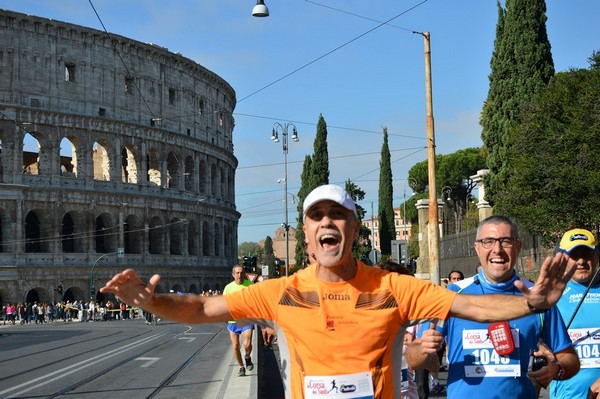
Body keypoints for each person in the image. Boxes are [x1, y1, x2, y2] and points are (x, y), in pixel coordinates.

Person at [101, 184, 576, 399]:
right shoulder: (279, 291)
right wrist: (152, 302)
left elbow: (472, 303)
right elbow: (205, 307)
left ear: (354, 231)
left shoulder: (394, 287)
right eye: (316, 216)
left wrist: (533, 302)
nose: (326, 222)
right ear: (307, 235)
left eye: (337, 215)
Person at [406, 215, 580, 399]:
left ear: (518, 247)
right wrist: (423, 350)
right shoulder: (453, 294)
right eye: (488, 241)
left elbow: (570, 359)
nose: (497, 250)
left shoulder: (537, 297)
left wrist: (556, 369)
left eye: (506, 241)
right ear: (477, 248)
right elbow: (413, 358)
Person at [548, 228, 600, 399]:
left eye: (587, 254)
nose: (581, 261)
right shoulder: (549, 295)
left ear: (597, 255)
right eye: (574, 255)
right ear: (562, 258)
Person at [223, 264, 254, 377]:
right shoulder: (228, 288)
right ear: (233, 275)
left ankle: (247, 356)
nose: (239, 275)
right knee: (235, 346)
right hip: (233, 321)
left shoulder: (250, 285)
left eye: (241, 273)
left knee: (247, 343)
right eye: (237, 273)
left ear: (244, 274)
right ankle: (241, 367)